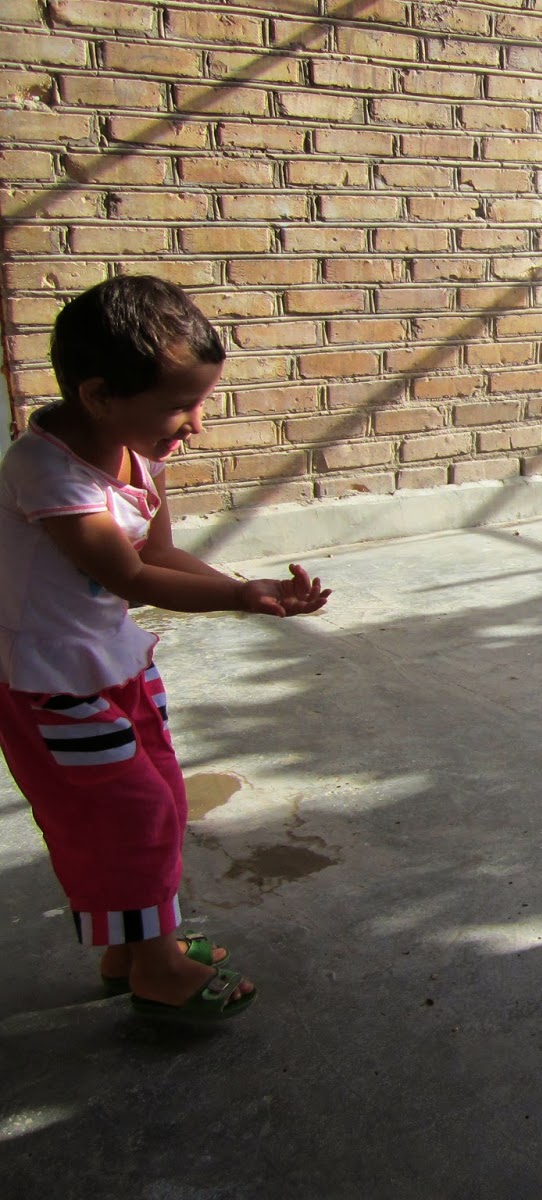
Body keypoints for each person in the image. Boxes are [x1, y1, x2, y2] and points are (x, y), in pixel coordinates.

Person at [0, 275, 331, 1023]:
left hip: (113, 663)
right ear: (98, 395)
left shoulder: (135, 452)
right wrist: (238, 598)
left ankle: (133, 949)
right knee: (128, 815)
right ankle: (157, 970)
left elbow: (160, 554)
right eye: (180, 406)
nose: (197, 425)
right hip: (51, 685)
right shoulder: (46, 471)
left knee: (162, 803)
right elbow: (129, 575)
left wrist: (246, 588)